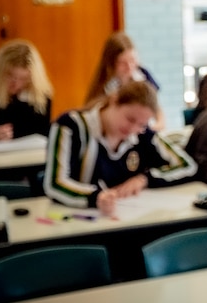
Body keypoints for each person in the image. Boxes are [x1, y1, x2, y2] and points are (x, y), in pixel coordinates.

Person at [44, 81, 196, 217]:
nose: (133, 129)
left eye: (142, 124)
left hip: (128, 219)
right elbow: (54, 183)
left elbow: (187, 165)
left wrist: (144, 179)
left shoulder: (142, 134)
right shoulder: (70, 126)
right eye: (129, 119)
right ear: (114, 101)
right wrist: (95, 197)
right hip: (81, 222)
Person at [0, 39, 53, 149]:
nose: (16, 84)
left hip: (30, 157)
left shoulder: (41, 96)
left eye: (23, 79)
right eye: (10, 76)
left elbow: (41, 134)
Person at [85, 31, 164, 130]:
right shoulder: (105, 86)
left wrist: (155, 128)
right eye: (123, 63)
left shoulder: (143, 75)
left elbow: (158, 111)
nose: (129, 67)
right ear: (111, 64)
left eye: (132, 60)